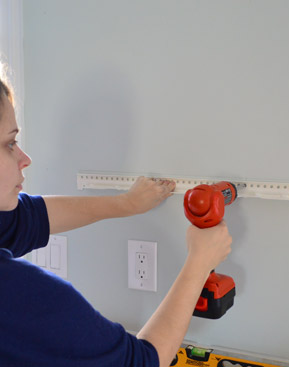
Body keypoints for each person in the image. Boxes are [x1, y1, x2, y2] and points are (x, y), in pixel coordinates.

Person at [0, 70, 233, 366]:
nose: (25, 158)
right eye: (9, 144)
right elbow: (141, 362)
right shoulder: (21, 297)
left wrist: (125, 204)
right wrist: (199, 263)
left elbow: (29, 217)